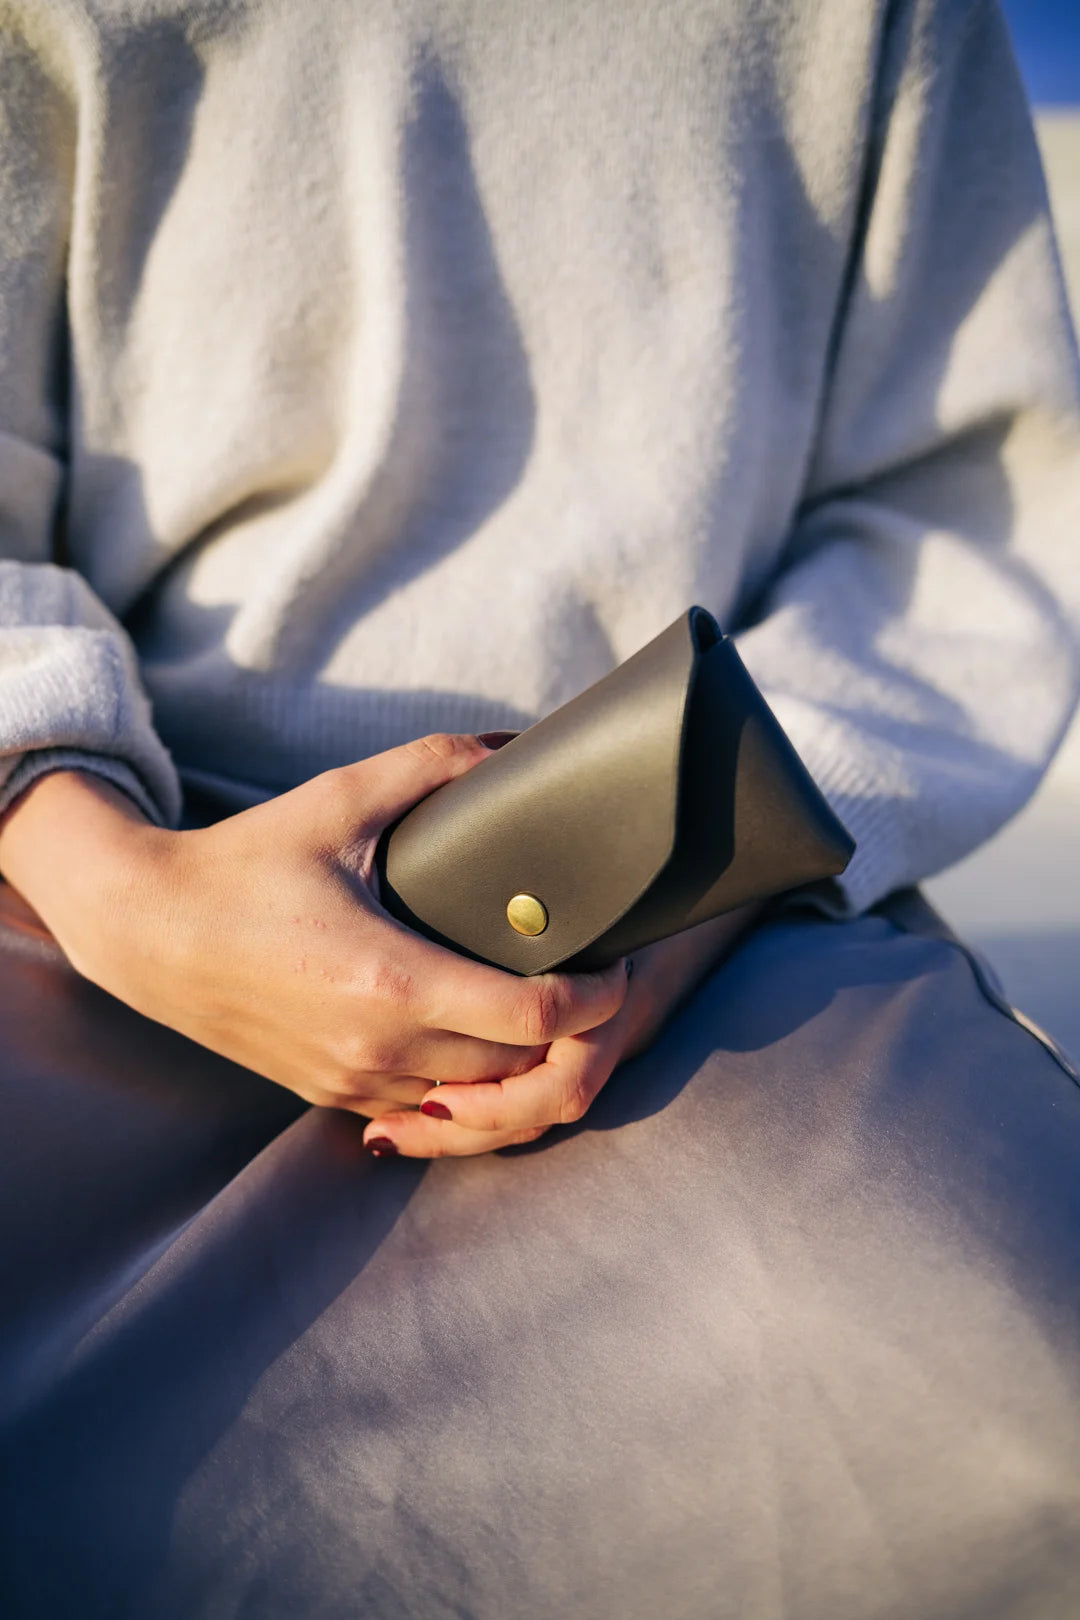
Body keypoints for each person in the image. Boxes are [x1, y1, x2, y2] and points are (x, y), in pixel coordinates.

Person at [0, 0, 1078, 1615]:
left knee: (1018, 1366)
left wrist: (700, 863)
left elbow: (962, 506)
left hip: (690, 925)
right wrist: (118, 880)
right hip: (90, 867)